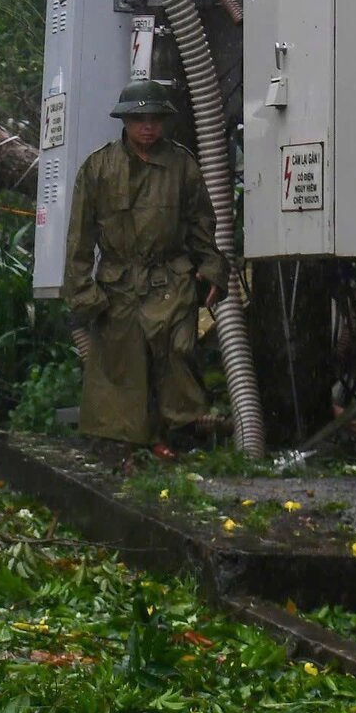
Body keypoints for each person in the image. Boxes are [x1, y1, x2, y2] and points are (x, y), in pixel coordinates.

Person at [61, 77, 227, 453]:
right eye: (139, 120)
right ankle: (129, 445)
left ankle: (180, 435)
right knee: (122, 366)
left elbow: (203, 223)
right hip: (118, 283)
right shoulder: (98, 168)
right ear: (124, 121)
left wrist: (212, 268)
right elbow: (79, 239)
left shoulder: (183, 166)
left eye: (154, 118)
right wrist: (82, 293)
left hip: (170, 277)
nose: (147, 127)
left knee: (177, 353)